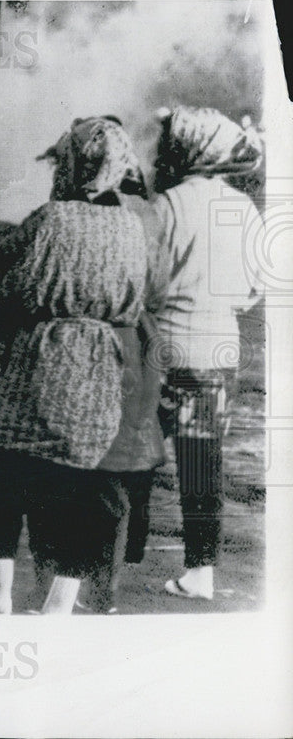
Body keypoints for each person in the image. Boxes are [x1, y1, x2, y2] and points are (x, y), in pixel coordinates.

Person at [0, 116, 167, 615]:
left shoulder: (48, 219)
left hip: (40, 351)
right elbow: (145, 296)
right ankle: (61, 602)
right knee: (84, 483)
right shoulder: (134, 226)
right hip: (101, 361)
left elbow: (4, 283)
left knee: (10, 475)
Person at [149, 106, 264, 601]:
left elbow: (147, 283)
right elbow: (256, 288)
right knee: (202, 465)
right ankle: (201, 571)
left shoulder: (166, 205)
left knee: (135, 463)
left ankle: (105, 568)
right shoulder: (243, 209)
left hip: (164, 349)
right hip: (219, 350)